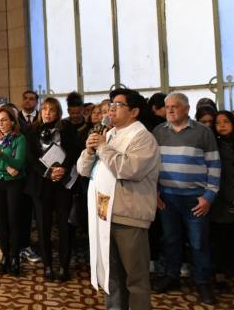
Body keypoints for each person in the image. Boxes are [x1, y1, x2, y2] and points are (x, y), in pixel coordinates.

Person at [77, 89, 160, 310]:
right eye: (111, 104)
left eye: (118, 105)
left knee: (135, 279)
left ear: (134, 111)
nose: (111, 109)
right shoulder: (110, 134)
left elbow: (128, 169)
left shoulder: (143, 138)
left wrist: (103, 147)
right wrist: (89, 151)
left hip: (128, 217)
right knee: (111, 275)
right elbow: (83, 171)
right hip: (104, 215)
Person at [152, 93, 221, 305]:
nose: (170, 110)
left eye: (175, 106)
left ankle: (202, 283)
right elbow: (151, 166)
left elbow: (215, 165)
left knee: (199, 243)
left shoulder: (203, 132)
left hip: (195, 199)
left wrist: (209, 197)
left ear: (187, 109)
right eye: (167, 107)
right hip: (167, 198)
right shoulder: (158, 132)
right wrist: (154, 193)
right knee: (171, 240)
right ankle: (172, 277)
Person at [25, 97, 79, 281]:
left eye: (52, 109)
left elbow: (74, 151)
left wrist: (62, 169)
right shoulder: (32, 130)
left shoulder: (67, 128)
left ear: (58, 112)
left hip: (63, 185)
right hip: (41, 185)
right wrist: (47, 173)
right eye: (45, 109)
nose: (47, 112)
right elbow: (30, 158)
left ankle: (64, 266)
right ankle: (48, 265)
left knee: (64, 227)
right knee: (43, 227)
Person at [0, 105, 27, 276]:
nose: (1, 123)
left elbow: (19, 163)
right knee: (0, 221)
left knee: (14, 220)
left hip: (15, 183)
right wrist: (4, 165)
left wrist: (3, 156)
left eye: (4, 120)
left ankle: (15, 257)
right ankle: (5, 256)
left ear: (12, 121)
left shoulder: (19, 139)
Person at [209, 111, 234, 289]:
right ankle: (219, 275)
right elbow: (217, 175)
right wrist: (232, 197)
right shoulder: (214, 147)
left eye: (226, 121)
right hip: (220, 201)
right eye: (218, 123)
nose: (222, 125)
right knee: (220, 240)